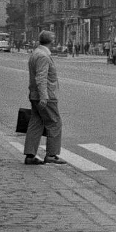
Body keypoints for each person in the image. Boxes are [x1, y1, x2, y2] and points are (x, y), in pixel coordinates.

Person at [23, 31, 66, 165]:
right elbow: (41, 78)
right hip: (46, 95)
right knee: (54, 123)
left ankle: (30, 155)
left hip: (34, 94)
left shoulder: (36, 53)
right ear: (51, 41)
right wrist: (44, 97)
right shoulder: (43, 56)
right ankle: (51, 155)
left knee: (36, 123)